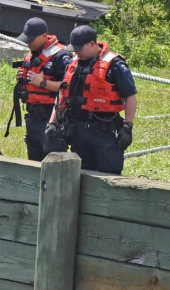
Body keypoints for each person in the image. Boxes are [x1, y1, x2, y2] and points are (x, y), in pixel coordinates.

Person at [47, 24, 138, 175]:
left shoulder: (115, 65)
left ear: (92, 43)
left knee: (109, 176)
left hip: (105, 132)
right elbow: (63, 93)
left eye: (80, 48)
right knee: (80, 176)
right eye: (75, 48)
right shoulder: (73, 64)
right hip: (79, 133)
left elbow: (130, 96)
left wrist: (127, 127)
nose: (77, 52)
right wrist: (52, 123)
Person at [14, 17, 73, 161]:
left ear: (44, 36)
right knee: (33, 162)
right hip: (33, 117)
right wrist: (22, 78)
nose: (28, 43)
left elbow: (70, 88)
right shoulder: (34, 52)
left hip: (51, 118)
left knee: (53, 161)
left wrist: (43, 83)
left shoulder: (61, 56)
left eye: (31, 39)